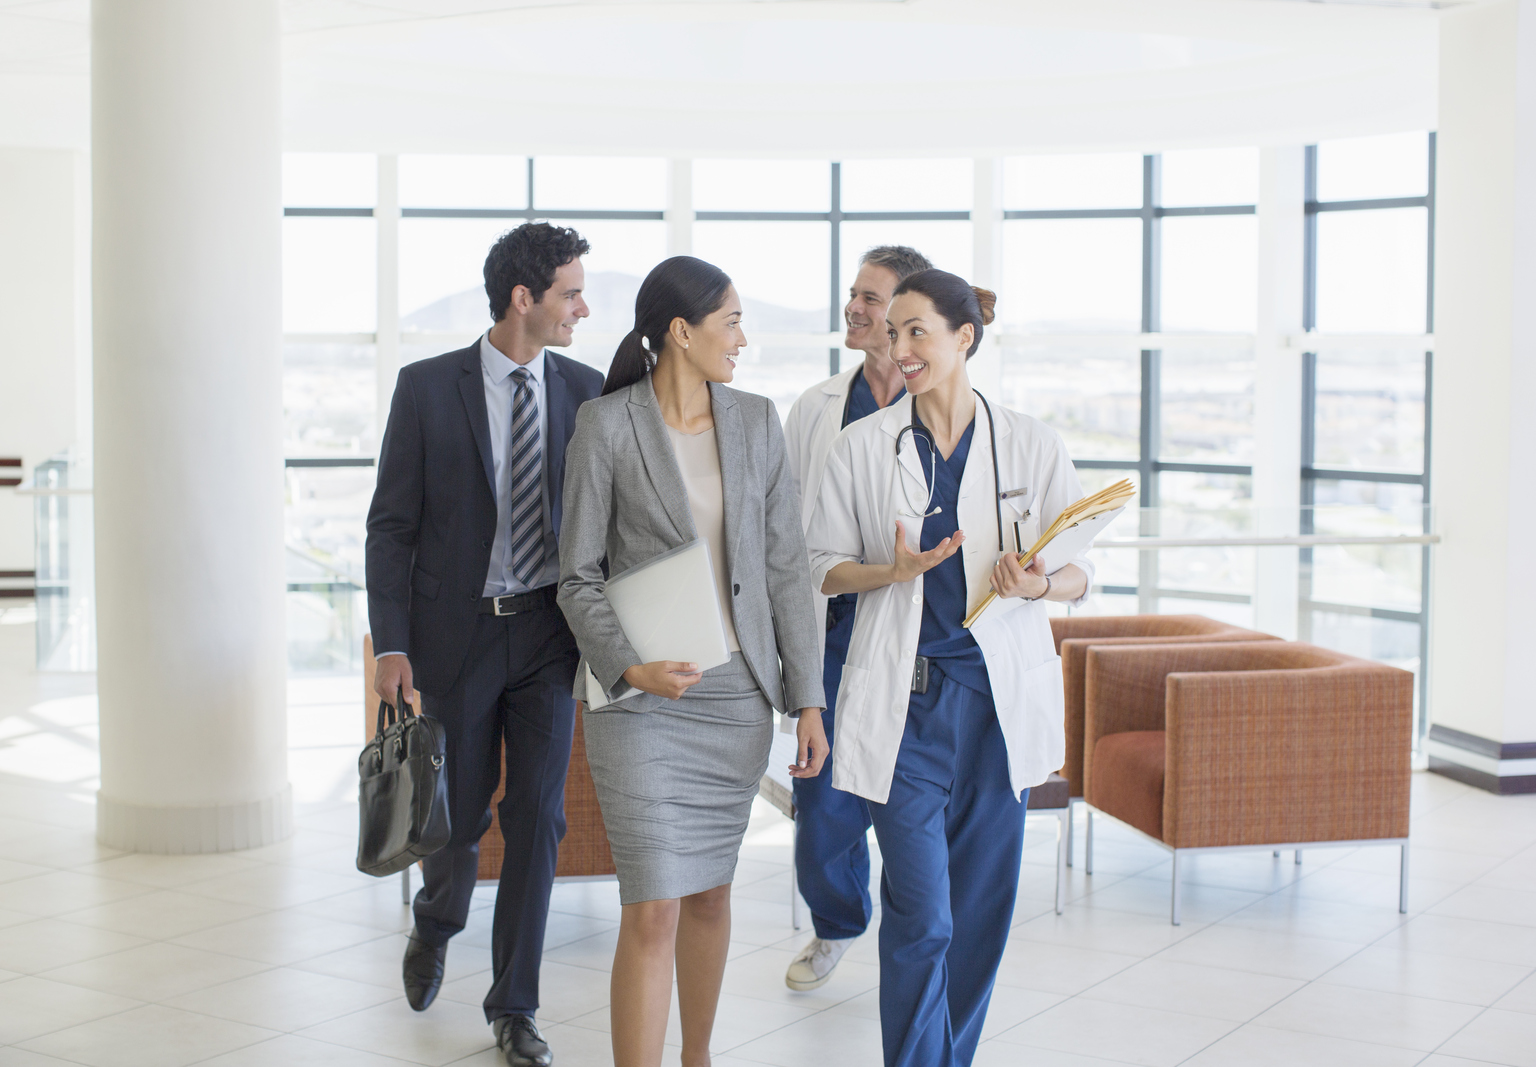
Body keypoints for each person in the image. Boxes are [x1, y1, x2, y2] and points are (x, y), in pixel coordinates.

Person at [804, 269, 1094, 1067]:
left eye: (916, 331)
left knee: (979, 914)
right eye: (892, 333)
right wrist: (889, 573)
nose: (899, 349)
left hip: (998, 711)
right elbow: (821, 566)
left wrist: (1039, 582)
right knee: (923, 915)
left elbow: (1077, 572)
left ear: (964, 337)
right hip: (907, 708)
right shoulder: (864, 446)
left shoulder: (1031, 442)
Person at [556, 255, 828, 1067]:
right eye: (731, 321)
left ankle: (697, 1057)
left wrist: (807, 698)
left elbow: (786, 568)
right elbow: (576, 576)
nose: (742, 338)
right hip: (642, 706)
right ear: (682, 330)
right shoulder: (606, 425)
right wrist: (630, 666)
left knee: (710, 892)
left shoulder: (755, 420)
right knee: (653, 907)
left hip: (737, 698)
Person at [365, 222, 604, 1067]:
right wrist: (391, 643)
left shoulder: (587, 389)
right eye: (571, 292)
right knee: (458, 822)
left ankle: (514, 1005)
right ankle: (436, 924)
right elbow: (391, 527)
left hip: (547, 633)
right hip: (456, 637)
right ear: (523, 298)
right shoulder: (429, 388)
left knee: (536, 820)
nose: (583, 306)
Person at [780, 244, 932, 991]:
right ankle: (838, 920)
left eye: (871, 298)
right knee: (822, 799)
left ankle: (919, 936)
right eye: (854, 294)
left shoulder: (934, 403)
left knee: (903, 794)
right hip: (832, 629)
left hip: (909, 634)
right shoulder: (816, 406)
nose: (856, 308)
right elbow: (782, 522)